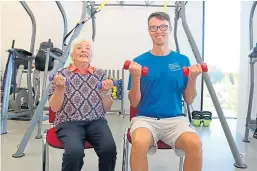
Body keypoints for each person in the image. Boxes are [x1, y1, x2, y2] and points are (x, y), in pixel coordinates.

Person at [127, 12, 203, 171]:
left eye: (163, 27)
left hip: (175, 120)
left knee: (195, 143)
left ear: (170, 29)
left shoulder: (182, 60)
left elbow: (189, 99)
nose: (158, 31)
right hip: (145, 120)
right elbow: (134, 102)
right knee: (139, 142)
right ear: (149, 31)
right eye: (153, 27)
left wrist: (193, 78)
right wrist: (135, 77)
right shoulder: (139, 62)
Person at [48, 38, 117, 171]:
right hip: (68, 122)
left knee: (109, 149)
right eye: (79, 48)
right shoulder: (61, 74)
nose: (84, 50)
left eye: (87, 48)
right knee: (74, 152)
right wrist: (60, 88)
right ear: (72, 54)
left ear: (91, 55)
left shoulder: (100, 74)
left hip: (96, 121)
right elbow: (55, 107)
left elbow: (107, 108)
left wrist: (105, 92)